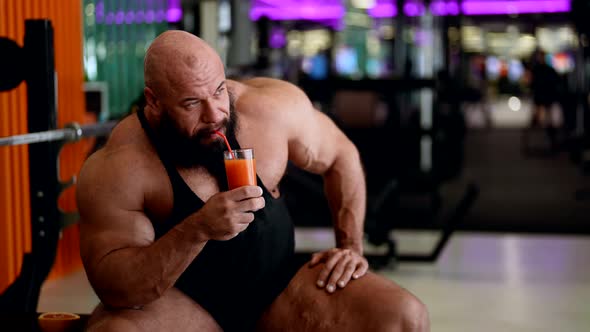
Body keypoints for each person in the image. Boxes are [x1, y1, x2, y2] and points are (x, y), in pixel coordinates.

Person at [76, 30, 429, 332]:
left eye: (217, 91)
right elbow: (116, 287)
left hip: (279, 288)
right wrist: (196, 229)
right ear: (154, 101)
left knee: (403, 317)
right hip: (183, 303)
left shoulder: (268, 110)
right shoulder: (120, 165)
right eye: (191, 103)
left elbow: (342, 155)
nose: (214, 114)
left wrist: (350, 248)